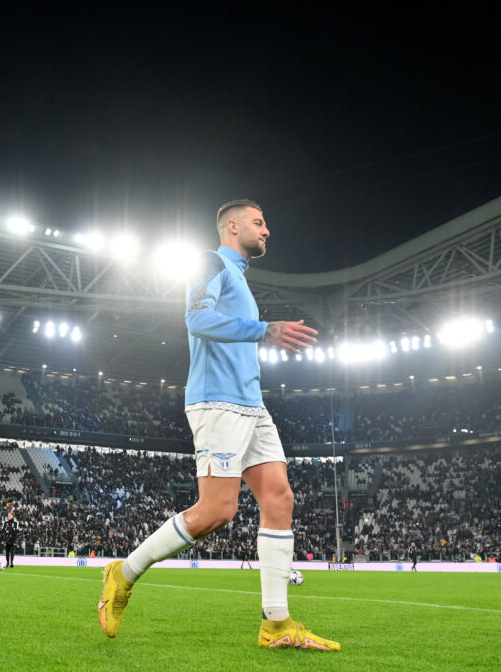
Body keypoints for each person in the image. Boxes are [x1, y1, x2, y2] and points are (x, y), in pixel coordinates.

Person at [97, 200, 340, 651]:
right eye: (258, 222)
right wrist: (264, 330)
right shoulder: (209, 262)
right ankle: (123, 573)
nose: (267, 230)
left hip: (252, 405)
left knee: (279, 498)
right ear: (232, 225)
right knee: (217, 511)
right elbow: (197, 318)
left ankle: (277, 624)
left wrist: (259, 332)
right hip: (218, 402)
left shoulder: (240, 279)